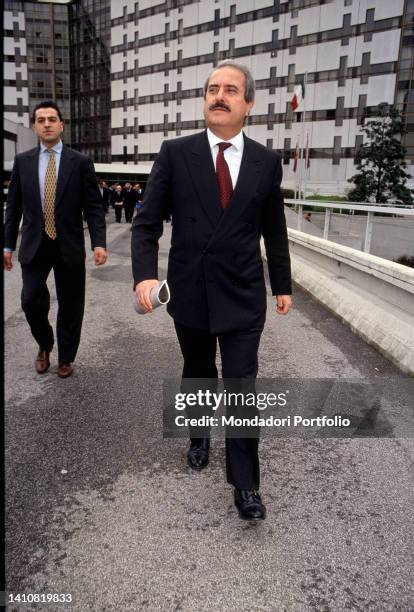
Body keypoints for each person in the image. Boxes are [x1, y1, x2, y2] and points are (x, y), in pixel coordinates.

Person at [131, 61, 292, 520]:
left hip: (242, 293)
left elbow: (274, 230)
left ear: (249, 104)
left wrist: (281, 283)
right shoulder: (176, 152)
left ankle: (246, 486)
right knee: (199, 368)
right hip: (191, 290)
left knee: (242, 384)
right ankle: (198, 434)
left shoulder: (266, 162)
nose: (219, 96)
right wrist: (144, 275)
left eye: (230, 90)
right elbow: (146, 224)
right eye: (212, 89)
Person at [4, 100, 107, 378]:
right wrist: (7, 244)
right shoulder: (23, 162)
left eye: (52, 119)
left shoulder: (81, 162)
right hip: (35, 245)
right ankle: (45, 343)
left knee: (71, 304)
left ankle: (66, 357)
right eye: (41, 120)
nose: (47, 123)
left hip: (69, 245)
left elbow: (94, 206)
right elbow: (13, 206)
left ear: (61, 125)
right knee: (30, 300)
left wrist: (99, 242)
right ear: (35, 126)